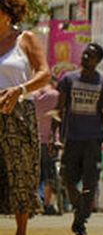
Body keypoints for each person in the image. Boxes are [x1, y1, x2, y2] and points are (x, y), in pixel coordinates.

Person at [0, 0, 53, 235]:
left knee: (21, 173)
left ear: (7, 13)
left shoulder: (25, 40)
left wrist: (20, 89)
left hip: (18, 112)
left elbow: (45, 73)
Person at [54, 42, 103, 235]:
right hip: (72, 139)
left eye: (90, 55)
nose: (85, 57)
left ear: (98, 61)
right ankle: (79, 207)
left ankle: (80, 222)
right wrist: (54, 136)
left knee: (91, 182)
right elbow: (59, 109)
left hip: (93, 141)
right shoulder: (68, 80)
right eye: (84, 54)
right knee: (67, 179)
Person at [35, 77, 59, 216]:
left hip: (35, 140)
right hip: (50, 141)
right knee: (50, 173)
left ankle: (35, 203)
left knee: (35, 174)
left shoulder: (34, 96)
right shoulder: (55, 95)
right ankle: (47, 204)